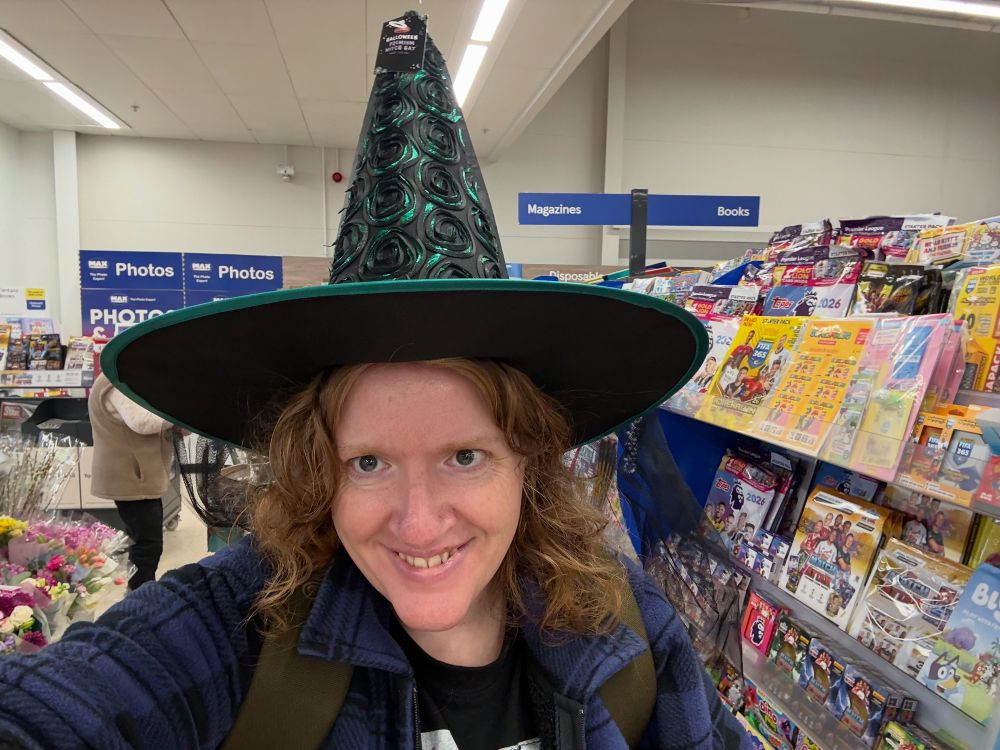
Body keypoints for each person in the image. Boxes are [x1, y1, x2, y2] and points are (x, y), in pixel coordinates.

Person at [0, 15, 749, 750]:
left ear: (529, 460)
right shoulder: (233, 635)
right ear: (315, 469)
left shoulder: (624, 624)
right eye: (367, 463)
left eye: (465, 456)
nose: (419, 525)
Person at [87, 370, 173, 590]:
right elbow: (142, 422)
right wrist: (176, 416)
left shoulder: (121, 376)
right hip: (131, 476)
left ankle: (142, 592)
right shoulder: (115, 382)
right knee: (147, 544)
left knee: (147, 541)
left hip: (138, 476)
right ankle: (140, 597)